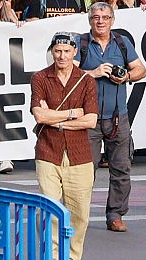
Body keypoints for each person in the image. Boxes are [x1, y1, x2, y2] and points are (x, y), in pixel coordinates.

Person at [77, 1, 146, 232]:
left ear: (112, 20)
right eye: (96, 17)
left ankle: (115, 214)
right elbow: (68, 75)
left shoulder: (121, 42)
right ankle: (80, 215)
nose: (100, 21)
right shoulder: (81, 43)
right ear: (90, 20)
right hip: (89, 118)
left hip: (119, 117)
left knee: (121, 168)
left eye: (105, 17)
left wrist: (126, 76)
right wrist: (93, 74)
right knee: (85, 170)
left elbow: (141, 69)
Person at [31, 32, 98, 260]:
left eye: (66, 51)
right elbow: (39, 116)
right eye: (58, 51)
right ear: (52, 51)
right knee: (50, 211)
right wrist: (70, 115)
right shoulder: (40, 78)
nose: (62, 56)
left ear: (74, 53)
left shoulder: (86, 80)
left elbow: (90, 120)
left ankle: (72, 257)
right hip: (48, 152)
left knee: (80, 214)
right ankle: (51, 256)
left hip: (80, 155)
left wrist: (55, 120)